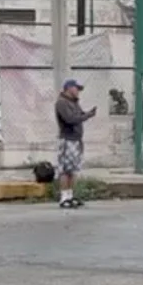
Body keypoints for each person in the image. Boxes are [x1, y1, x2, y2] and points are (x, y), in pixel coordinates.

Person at [55, 79, 98, 208]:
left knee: (73, 170)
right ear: (69, 88)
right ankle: (64, 197)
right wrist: (88, 116)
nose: (78, 91)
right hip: (67, 139)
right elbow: (70, 119)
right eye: (76, 89)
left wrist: (87, 113)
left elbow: (79, 115)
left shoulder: (74, 103)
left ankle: (70, 196)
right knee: (65, 170)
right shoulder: (61, 103)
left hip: (76, 139)